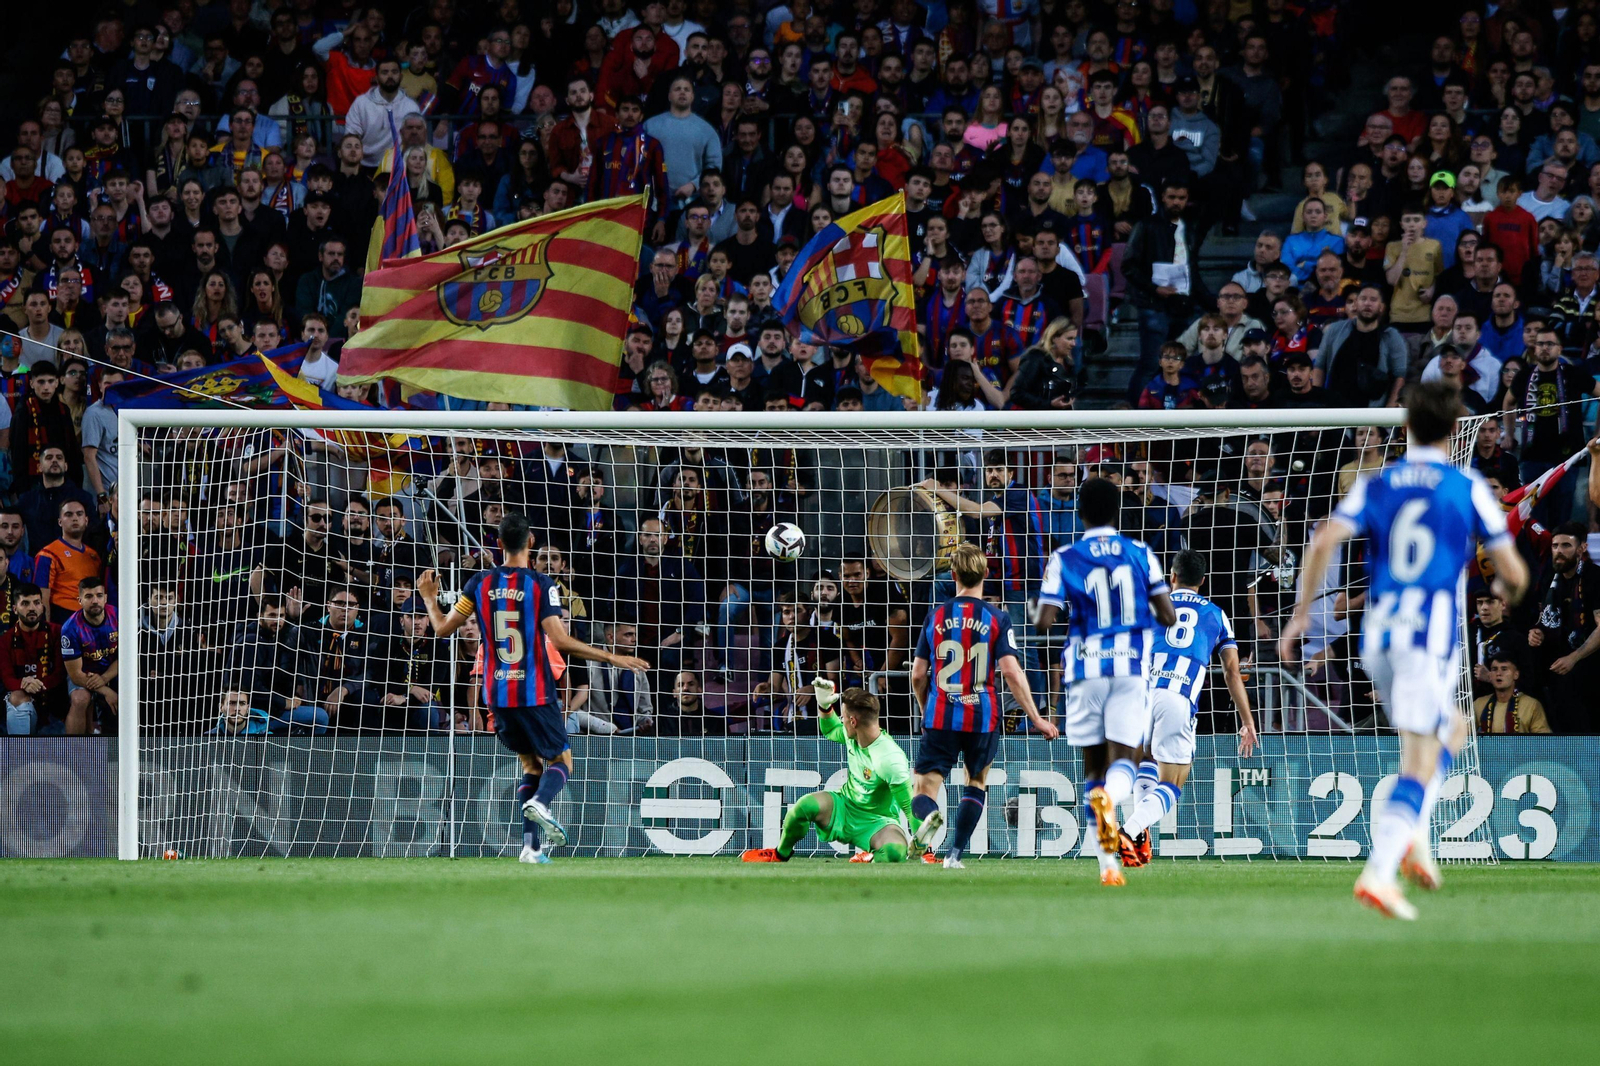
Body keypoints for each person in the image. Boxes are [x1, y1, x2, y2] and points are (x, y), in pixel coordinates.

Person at [1280, 382, 1529, 920]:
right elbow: (1513, 572)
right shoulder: (1465, 485)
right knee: (1419, 760)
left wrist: (1301, 615)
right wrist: (1505, 588)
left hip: (1377, 638)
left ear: (1406, 426)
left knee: (1452, 729)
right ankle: (1380, 871)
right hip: (1425, 640)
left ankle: (1413, 835)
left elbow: (1323, 539)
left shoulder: (1379, 481)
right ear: (1456, 428)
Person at [417, 513, 649, 865]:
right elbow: (561, 641)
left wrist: (429, 598)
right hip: (534, 691)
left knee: (530, 764)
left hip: (497, 694)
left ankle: (531, 847)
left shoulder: (478, 583)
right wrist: (611, 656)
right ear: (531, 542)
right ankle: (541, 802)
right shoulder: (542, 584)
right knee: (562, 760)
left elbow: (442, 629)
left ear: (498, 544)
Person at [1035, 477, 1176, 887]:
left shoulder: (1064, 556)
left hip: (1084, 670)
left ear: (1079, 512)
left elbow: (1043, 621)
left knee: (1093, 766)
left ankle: (1108, 866)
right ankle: (1110, 803)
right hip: (1129, 668)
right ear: (1117, 512)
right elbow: (1168, 616)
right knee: (1127, 760)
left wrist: (1047, 606)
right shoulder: (1140, 553)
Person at [907, 543, 1057, 868]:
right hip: (983, 716)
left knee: (923, 787)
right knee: (975, 782)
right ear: (986, 574)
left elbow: (918, 674)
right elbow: (1012, 672)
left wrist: (925, 707)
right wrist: (1037, 718)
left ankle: (930, 818)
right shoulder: (997, 618)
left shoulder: (935, 616)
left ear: (953, 575)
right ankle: (954, 855)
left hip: (941, 713)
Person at [1116, 550, 1257, 867]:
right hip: (1176, 697)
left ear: (1172, 577)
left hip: (1138, 694)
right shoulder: (1216, 614)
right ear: (1203, 581)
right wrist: (1247, 720)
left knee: (1147, 759)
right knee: (1173, 782)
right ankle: (1129, 830)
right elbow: (1232, 672)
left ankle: (1138, 840)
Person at [740, 683, 918, 864]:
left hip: (878, 821)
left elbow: (910, 807)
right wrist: (824, 707)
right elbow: (831, 729)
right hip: (844, 805)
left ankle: (870, 856)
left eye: (843, 717)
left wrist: (925, 848)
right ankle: (779, 854)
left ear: (853, 721)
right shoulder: (854, 735)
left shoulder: (890, 758)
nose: (841, 720)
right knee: (803, 807)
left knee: (895, 853)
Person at [61, 575, 117, 735]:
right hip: (85, 675)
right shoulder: (70, 629)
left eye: (99, 595)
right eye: (89, 596)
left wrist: (104, 678)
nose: (95, 601)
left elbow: (127, 658)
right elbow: (76, 675)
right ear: (79, 600)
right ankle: (75, 748)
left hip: (114, 671)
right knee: (80, 699)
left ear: (105, 598)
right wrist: (106, 691)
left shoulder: (118, 616)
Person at [1473, 652, 1553, 734]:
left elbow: (1543, 740)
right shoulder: (1479, 704)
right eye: (1494, 669)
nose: (1498, 673)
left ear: (1516, 674)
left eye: (1504, 669)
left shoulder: (1531, 705)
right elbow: (1465, 735)